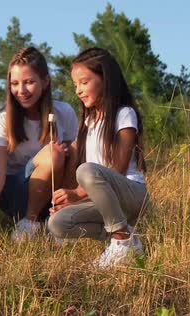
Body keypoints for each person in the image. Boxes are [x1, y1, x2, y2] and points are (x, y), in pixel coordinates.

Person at [47, 47, 149, 268]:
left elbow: (117, 169)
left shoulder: (124, 114)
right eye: (75, 85)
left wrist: (75, 193)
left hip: (132, 194)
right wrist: (71, 201)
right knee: (58, 222)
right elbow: (97, 184)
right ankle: (128, 236)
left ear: (105, 79)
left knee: (85, 170)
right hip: (106, 200)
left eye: (84, 82)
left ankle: (122, 242)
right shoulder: (89, 122)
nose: (78, 91)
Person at [0, 47, 78, 241]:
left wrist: (69, 199)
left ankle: (60, 219)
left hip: (53, 193)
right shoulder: (3, 119)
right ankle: (28, 223)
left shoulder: (64, 112)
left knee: (64, 154)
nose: (21, 91)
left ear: (45, 82)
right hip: (16, 193)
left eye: (29, 82)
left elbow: (74, 160)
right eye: (15, 83)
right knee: (53, 152)